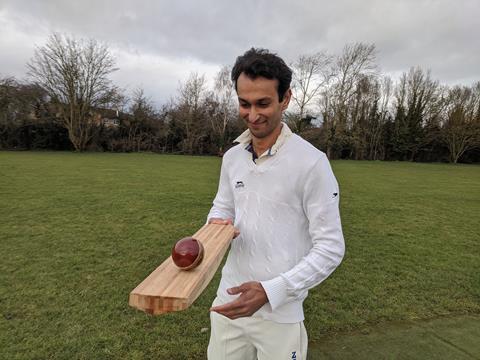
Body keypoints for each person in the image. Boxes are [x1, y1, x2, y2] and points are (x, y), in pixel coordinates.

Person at [207, 48, 345, 360]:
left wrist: (272, 291)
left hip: (280, 312)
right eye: (245, 103)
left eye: (263, 103)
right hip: (229, 301)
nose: (252, 115)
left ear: (285, 99)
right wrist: (214, 228)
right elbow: (222, 207)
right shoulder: (232, 158)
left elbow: (331, 247)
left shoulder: (312, 163)